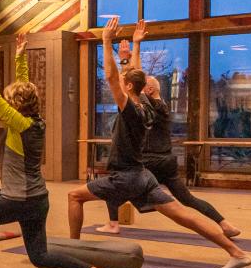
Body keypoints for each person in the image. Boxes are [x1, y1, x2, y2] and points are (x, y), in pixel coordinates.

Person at [67, 17, 251, 268]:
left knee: (74, 196)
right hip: (143, 176)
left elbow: (111, 77)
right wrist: (133, 49)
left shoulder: (131, 109)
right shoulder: (147, 105)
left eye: (124, 83)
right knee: (183, 214)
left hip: (126, 177)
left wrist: (107, 41)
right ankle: (236, 252)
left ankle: (73, 249)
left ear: (129, 87)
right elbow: (135, 77)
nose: (119, 84)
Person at [0, 35, 111, 268]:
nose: (7, 104)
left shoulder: (19, 124)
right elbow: (26, 88)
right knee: (39, 256)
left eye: (11, 102)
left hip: (19, 199)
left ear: (16, 107)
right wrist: (20, 56)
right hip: (38, 199)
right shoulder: (36, 121)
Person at [100, 23, 240, 238]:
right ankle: (224, 223)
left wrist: (120, 53)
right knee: (187, 199)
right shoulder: (158, 104)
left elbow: (127, 80)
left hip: (149, 160)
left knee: (115, 185)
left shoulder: (141, 105)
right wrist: (135, 46)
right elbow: (135, 77)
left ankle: (113, 223)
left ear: (147, 89)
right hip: (167, 161)